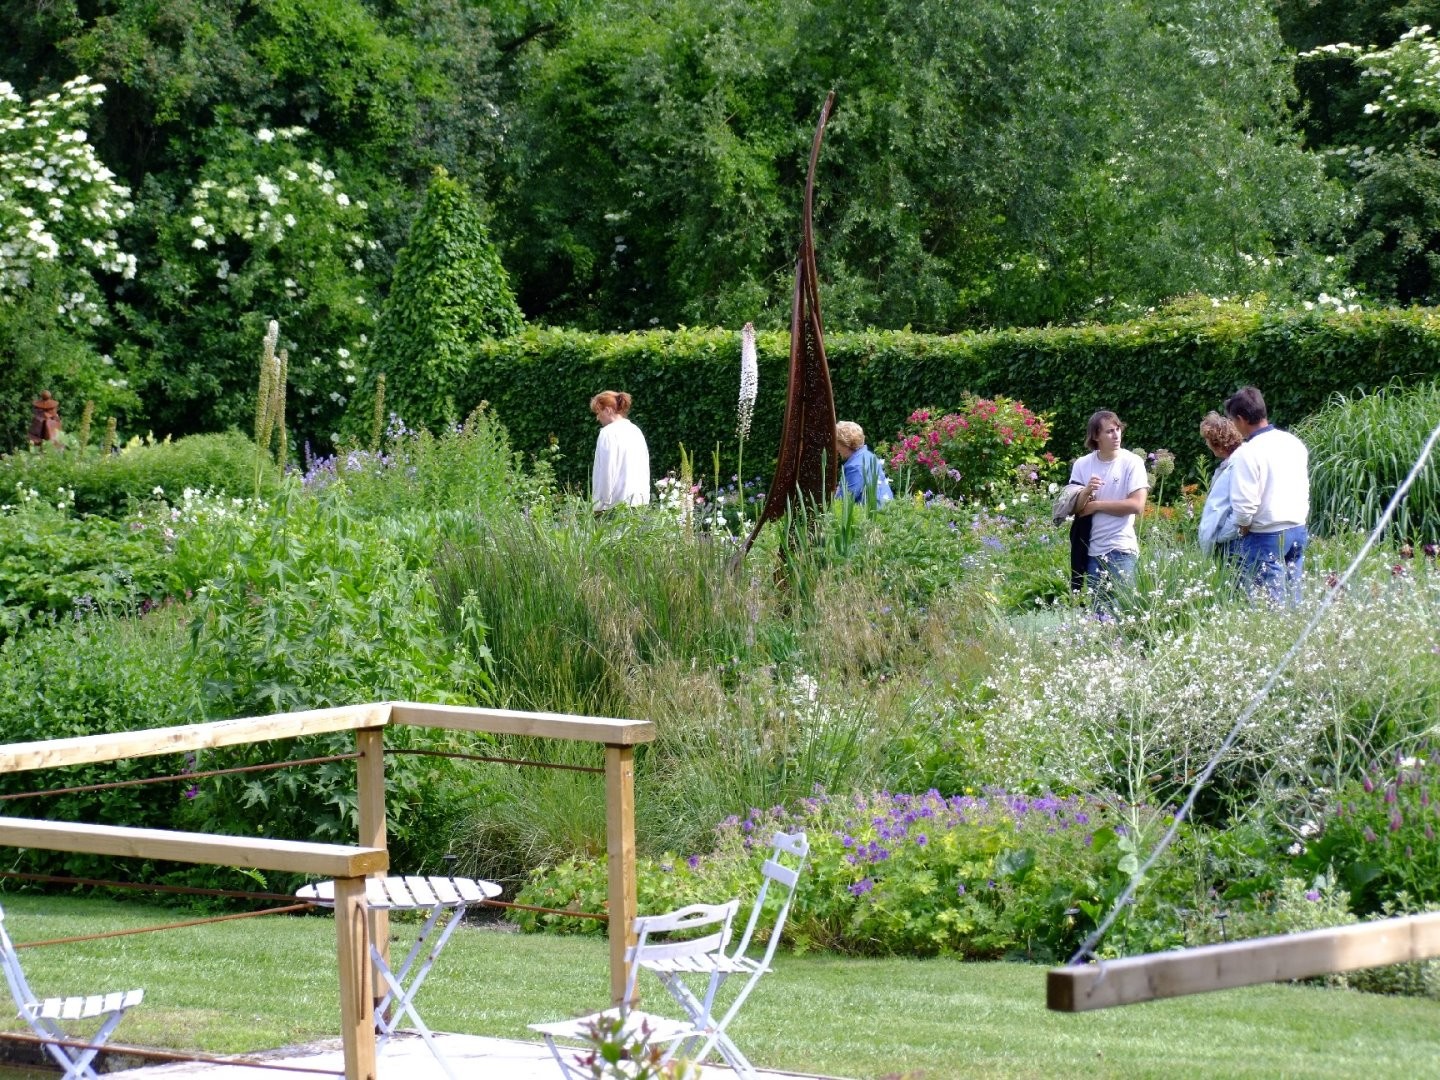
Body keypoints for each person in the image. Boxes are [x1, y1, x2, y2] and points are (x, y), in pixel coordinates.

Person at [1224, 386, 1309, 604]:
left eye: (1234, 421)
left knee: (1270, 606)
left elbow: (1244, 505)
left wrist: (1242, 526)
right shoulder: (1293, 442)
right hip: (1298, 528)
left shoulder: (1247, 452)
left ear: (1241, 419)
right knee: (1294, 598)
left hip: (1266, 535)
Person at [1069, 409, 1149, 597]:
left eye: (1118, 429)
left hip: (1122, 548)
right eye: (1109, 431)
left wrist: (1097, 505)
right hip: (1091, 550)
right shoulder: (1082, 464)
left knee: (1124, 611)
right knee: (1098, 615)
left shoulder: (1132, 462)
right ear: (1096, 436)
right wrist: (1086, 491)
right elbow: (1075, 508)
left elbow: (1137, 505)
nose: (1116, 435)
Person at [590, 390, 651, 511]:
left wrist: (599, 505)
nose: (597, 418)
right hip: (640, 502)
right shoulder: (635, 430)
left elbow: (606, 472)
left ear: (608, 410)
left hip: (615, 506)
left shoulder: (607, 433)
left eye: (598, 412)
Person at [1196, 411, 1243, 558]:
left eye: (1207, 440)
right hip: (1227, 541)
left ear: (1217, 442)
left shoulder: (1238, 465)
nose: (1206, 443)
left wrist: (1220, 535)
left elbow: (1240, 508)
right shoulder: (1228, 465)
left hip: (1232, 544)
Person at [834, 421, 894, 507]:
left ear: (845, 443)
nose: (835, 447)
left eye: (836, 442)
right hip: (885, 508)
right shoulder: (869, 456)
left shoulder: (855, 466)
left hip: (871, 514)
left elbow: (843, 501)